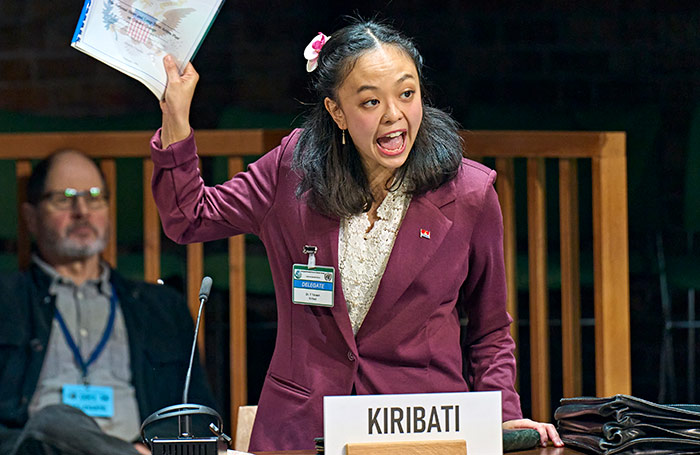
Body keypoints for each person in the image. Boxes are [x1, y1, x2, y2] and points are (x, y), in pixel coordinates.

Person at [151, 19, 563, 451]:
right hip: (302, 429)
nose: (394, 116)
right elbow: (188, 217)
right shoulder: (293, 168)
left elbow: (490, 331)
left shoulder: (469, 195)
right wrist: (175, 116)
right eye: (370, 102)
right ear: (337, 113)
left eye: (407, 94)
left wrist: (504, 416)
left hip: (420, 433)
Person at [0, 150, 215, 455]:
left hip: (139, 446)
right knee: (54, 419)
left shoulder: (161, 308)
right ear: (31, 218)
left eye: (95, 197)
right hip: (39, 449)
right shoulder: (6, 301)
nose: (82, 210)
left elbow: (198, 417)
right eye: (64, 198)